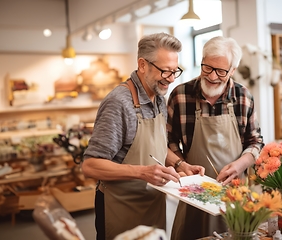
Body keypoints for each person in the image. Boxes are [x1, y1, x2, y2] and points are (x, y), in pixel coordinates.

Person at [81, 32, 205, 240]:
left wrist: (180, 165)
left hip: (151, 204)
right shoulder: (119, 103)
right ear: (142, 64)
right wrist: (142, 172)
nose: (172, 79)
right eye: (166, 71)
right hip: (120, 208)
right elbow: (90, 165)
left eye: (175, 71)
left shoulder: (158, 97)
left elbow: (155, 146)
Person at [167, 36, 264, 239]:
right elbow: (167, 141)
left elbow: (255, 142)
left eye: (221, 71)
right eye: (207, 67)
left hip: (235, 193)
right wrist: (182, 165)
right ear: (201, 60)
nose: (212, 76)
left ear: (233, 70)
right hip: (194, 191)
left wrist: (240, 165)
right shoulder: (181, 95)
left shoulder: (243, 97)